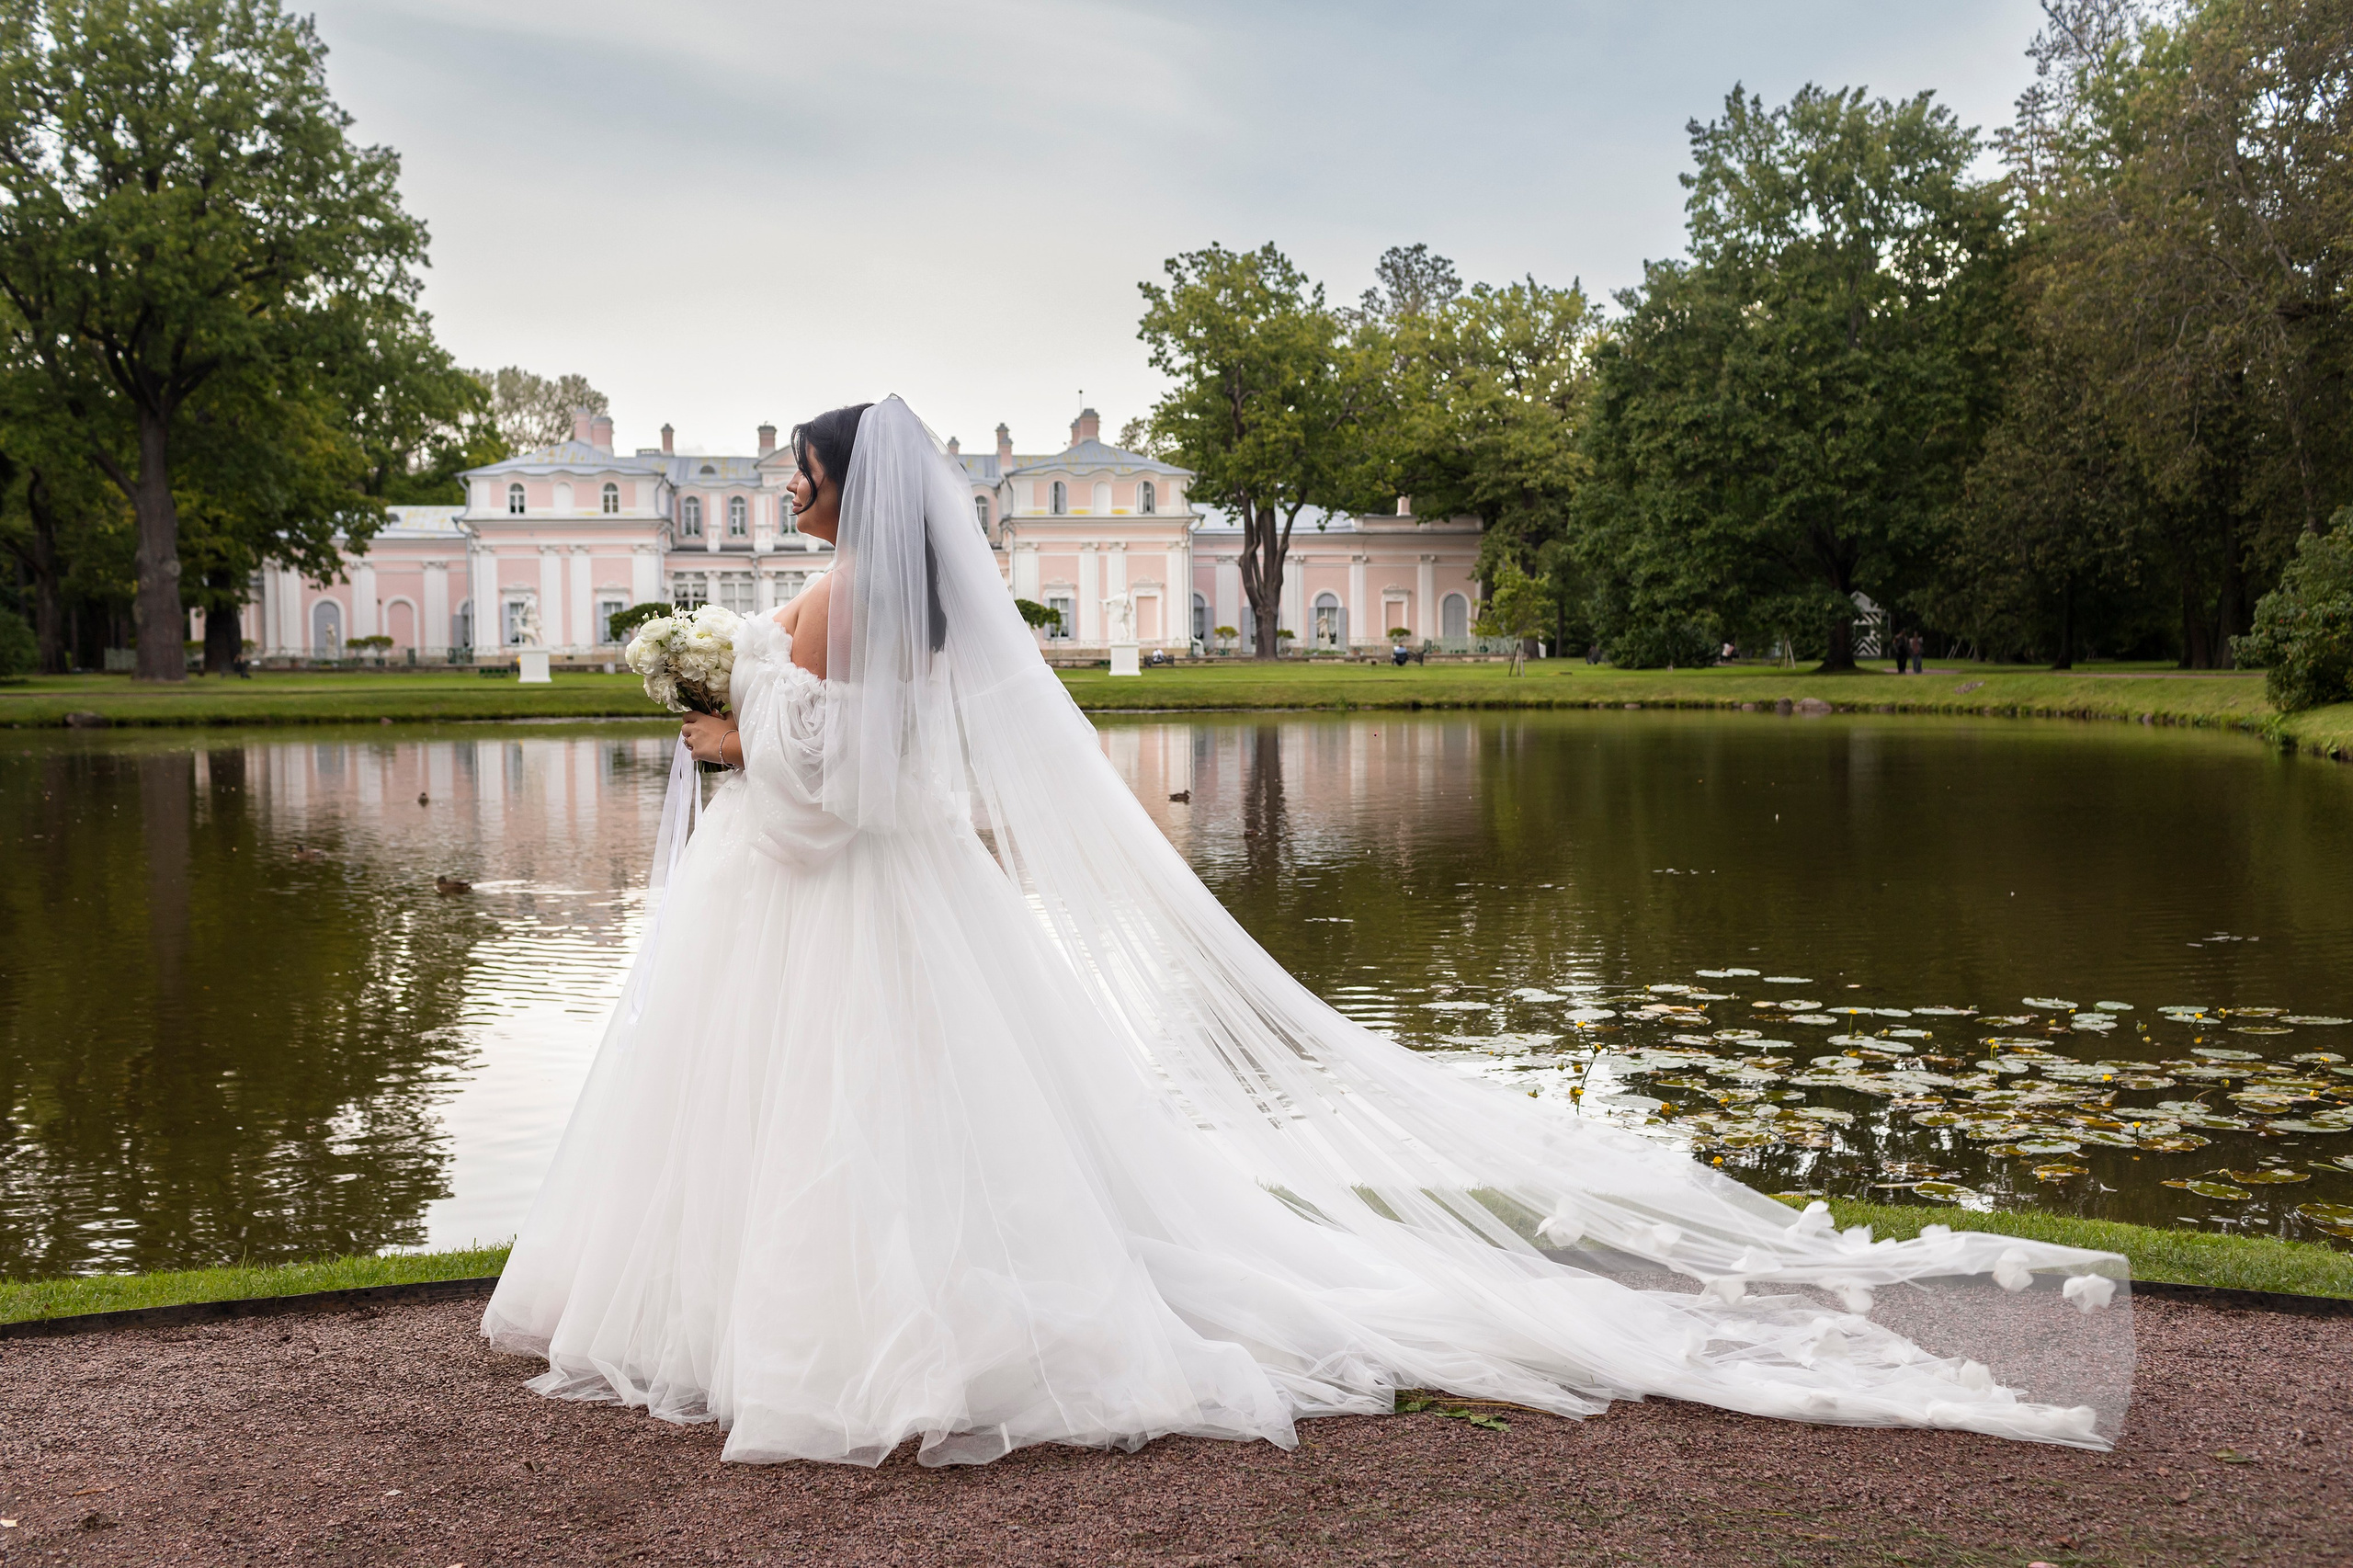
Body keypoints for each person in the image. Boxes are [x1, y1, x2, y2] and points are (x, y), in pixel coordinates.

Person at [483, 396, 2132, 1469]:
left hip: (833, 890)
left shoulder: (838, 597)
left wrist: (716, 730)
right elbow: (870, 762)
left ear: (845, 486)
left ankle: (816, 1325)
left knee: (827, 1115)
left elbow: (822, 792)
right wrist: (738, 700)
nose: (786, 488)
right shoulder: (884, 597)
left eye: (804, 471)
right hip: (906, 897)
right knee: (926, 1117)